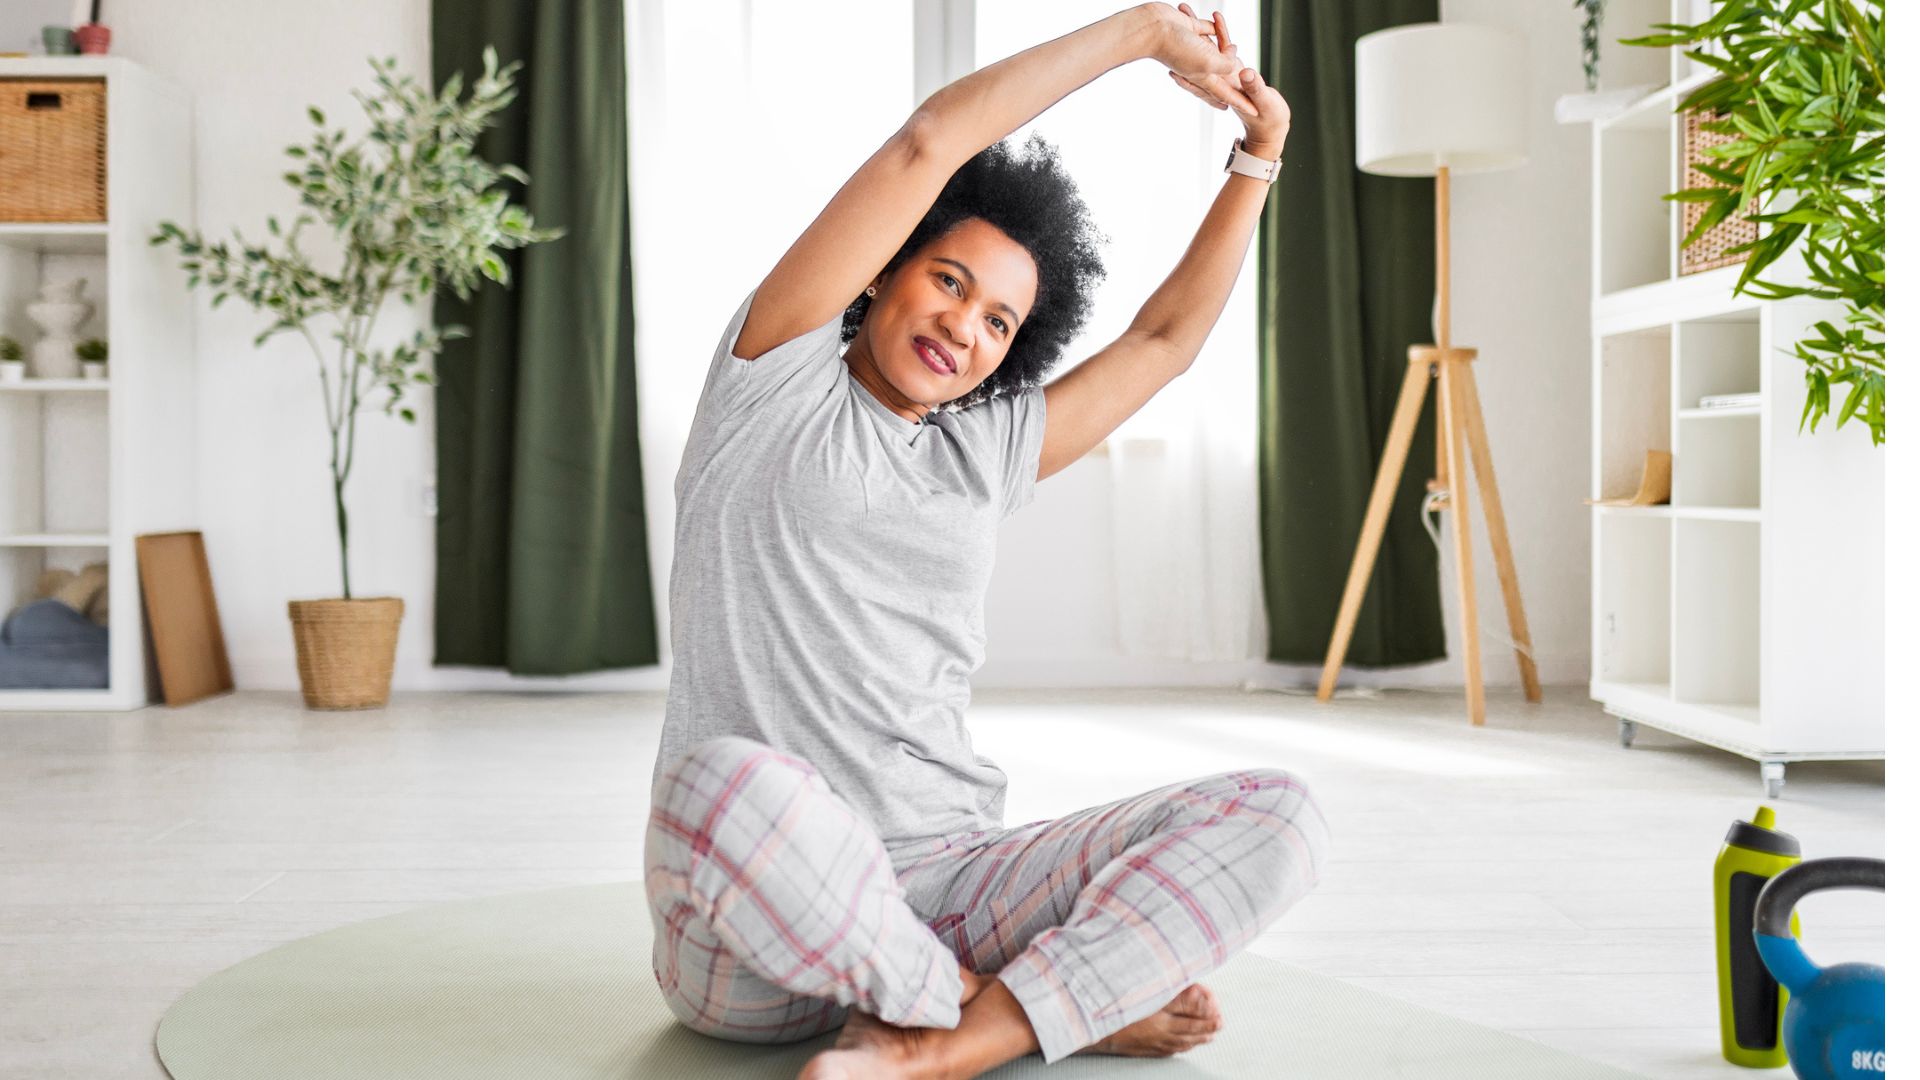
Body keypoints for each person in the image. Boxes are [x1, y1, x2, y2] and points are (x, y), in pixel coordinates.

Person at [645, 5, 1327, 1077]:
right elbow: (932, 141)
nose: (965, 325)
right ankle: (1028, 1004)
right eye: (949, 282)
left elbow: (1166, 340)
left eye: (1000, 321)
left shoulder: (987, 450)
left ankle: (956, 1042)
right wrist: (1146, 32)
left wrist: (1259, 154)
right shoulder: (771, 375)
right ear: (884, 271)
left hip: (947, 878)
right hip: (749, 928)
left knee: (1277, 814)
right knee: (719, 783)